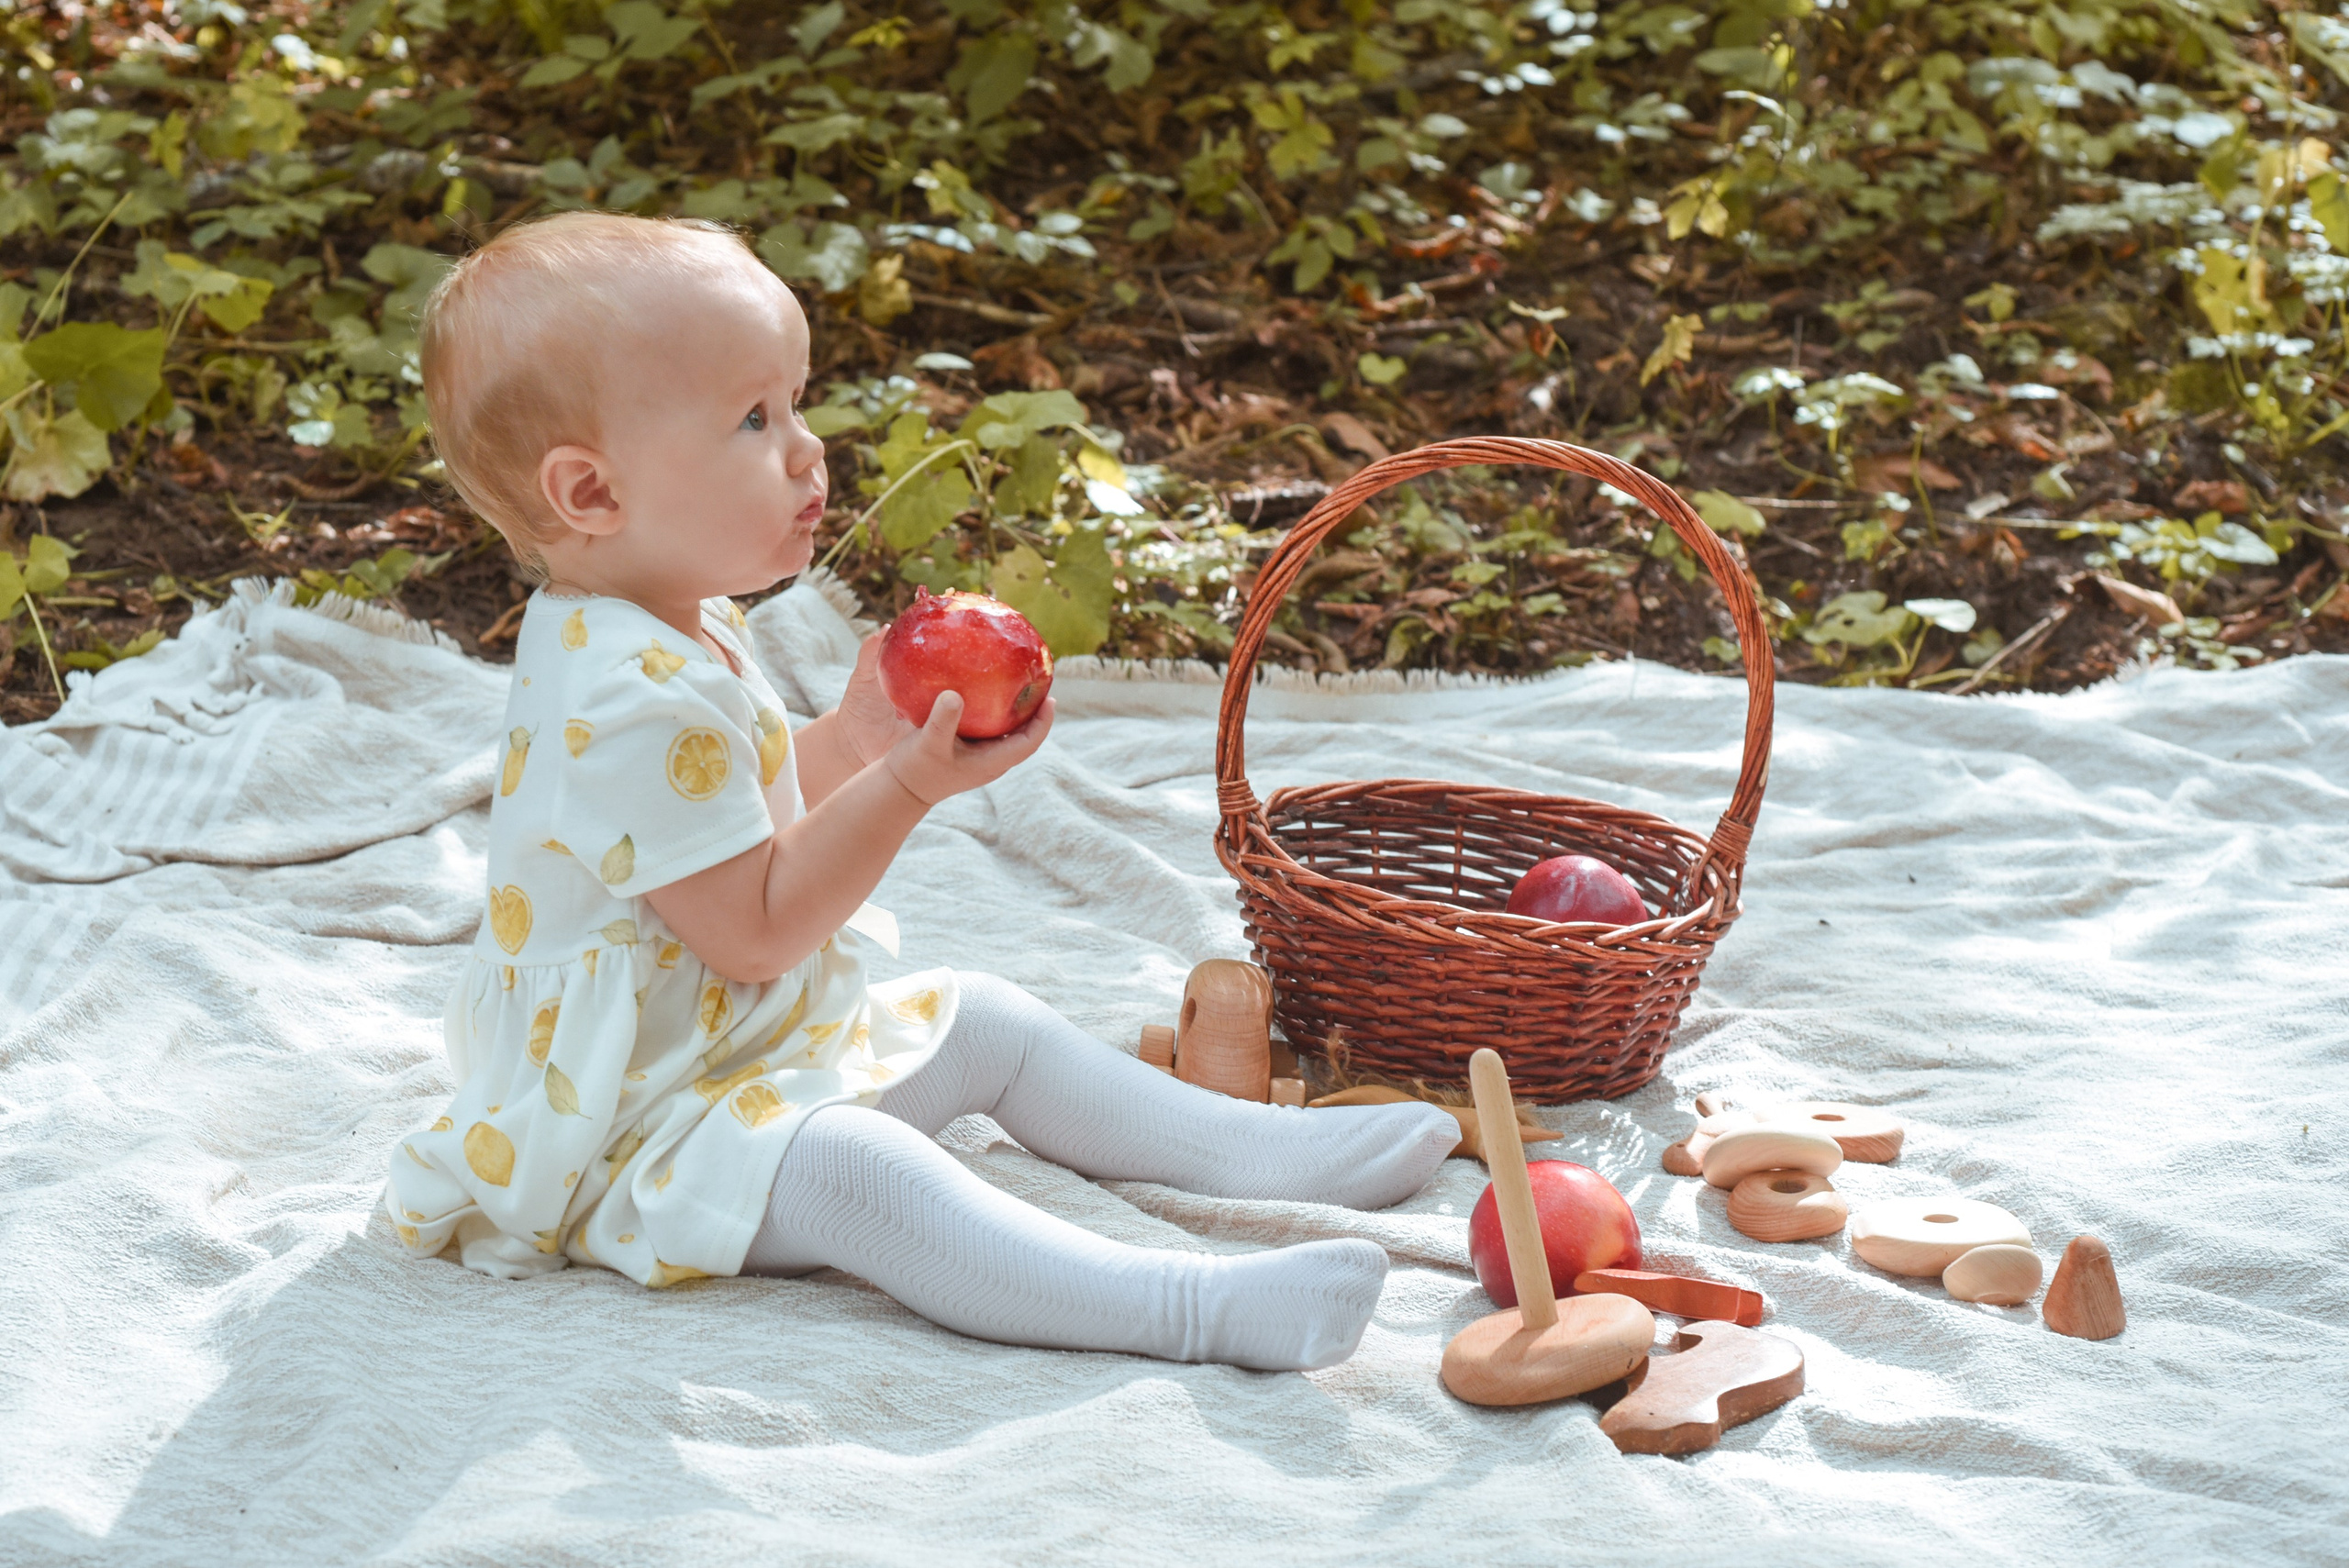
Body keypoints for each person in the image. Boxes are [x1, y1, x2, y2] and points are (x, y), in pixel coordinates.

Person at [383, 211, 1460, 1371]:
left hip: (732, 1055)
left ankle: (1257, 1152)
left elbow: (733, 817)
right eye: (752, 420)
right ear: (592, 492)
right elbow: (755, 927)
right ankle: (1187, 1305)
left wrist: (849, 741)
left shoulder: (669, 620)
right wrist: (905, 783)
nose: (807, 448)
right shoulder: (623, 694)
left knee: (981, 1017)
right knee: (858, 1169)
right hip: (635, 1131)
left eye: (794, 403)